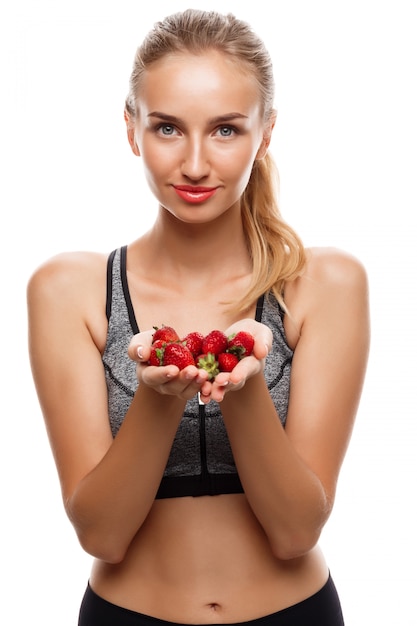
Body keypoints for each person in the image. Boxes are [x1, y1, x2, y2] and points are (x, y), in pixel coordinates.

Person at [27, 9, 370, 626]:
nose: (192, 163)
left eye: (225, 130)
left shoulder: (326, 285)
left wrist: (245, 387)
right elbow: (102, 535)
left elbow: (295, 531)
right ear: (131, 130)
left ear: (266, 133)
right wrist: (159, 396)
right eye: (166, 128)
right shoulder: (70, 291)